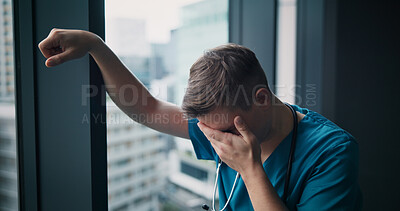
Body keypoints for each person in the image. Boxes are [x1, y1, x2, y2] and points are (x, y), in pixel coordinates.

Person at [38, 29, 362, 210]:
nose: (217, 141)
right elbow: (146, 109)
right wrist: (96, 46)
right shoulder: (222, 119)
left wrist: (250, 169)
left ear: (261, 99)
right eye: (208, 131)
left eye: (222, 131)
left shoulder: (331, 153)